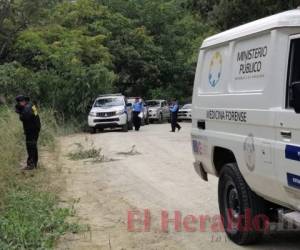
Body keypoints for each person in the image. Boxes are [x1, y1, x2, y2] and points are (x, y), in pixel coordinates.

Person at [15, 95, 41, 170]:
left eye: (19, 102)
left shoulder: (27, 108)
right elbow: (35, 114)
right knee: (33, 145)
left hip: (31, 130)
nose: (19, 104)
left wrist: (20, 112)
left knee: (30, 146)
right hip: (35, 128)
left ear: (23, 101)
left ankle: (30, 165)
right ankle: (34, 164)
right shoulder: (32, 105)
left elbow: (23, 118)